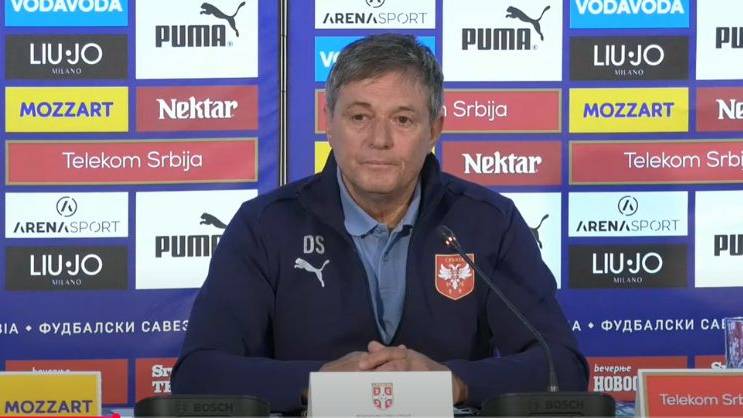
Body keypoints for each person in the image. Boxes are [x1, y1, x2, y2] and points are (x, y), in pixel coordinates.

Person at [171, 33, 587, 413]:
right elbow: (197, 374)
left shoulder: (488, 221)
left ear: (435, 129)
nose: (379, 140)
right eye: (359, 117)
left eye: (403, 119)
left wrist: (455, 382)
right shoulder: (265, 225)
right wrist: (316, 383)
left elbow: (563, 368)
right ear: (328, 122)